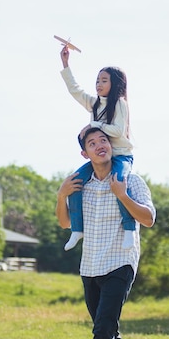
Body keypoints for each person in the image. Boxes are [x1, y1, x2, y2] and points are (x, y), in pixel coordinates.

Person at [56, 127, 156, 339]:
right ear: (85, 154)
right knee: (109, 333)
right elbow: (64, 223)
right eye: (92, 143)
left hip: (120, 263)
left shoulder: (131, 181)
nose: (100, 145)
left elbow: (149, 219)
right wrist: (61, 195)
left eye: (104, 140)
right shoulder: (80, 188)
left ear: (111, 146)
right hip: (90, 267)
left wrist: (122, 195)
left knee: (103, 332)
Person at [59, 45, 135, 251]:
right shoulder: (94, 105)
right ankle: (77, 229)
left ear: (115, 83)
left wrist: (95, 125)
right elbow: (75, 90)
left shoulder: (120, 104)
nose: (98, 84)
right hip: (99, 158)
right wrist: (66, 64)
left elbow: (118, 132)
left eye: (104, 80)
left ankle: (129, 229)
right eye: (97, 81)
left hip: (120, 156)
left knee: (118, 182)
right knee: (75, 181)